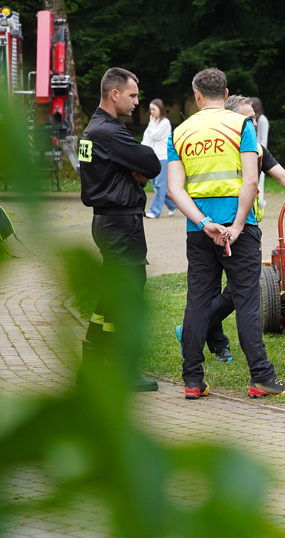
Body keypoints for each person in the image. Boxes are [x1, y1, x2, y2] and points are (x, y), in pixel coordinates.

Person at [167, 67, 285, 400]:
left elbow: (174, 189)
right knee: (246, 302)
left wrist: (202, 223)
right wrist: (238, 225)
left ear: (197, 95)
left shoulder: (179, 132)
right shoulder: (241, 125)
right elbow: (252, 182)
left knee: (197, 302)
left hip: (199, 231)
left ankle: (193, 381)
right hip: (239, 229)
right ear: (226, 95)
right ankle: (260, 378)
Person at [185, 95, 285, 362]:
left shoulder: (256, 148)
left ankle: (200, 338)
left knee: (222, 294)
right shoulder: (226, 146)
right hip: (223, 229)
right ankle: (213, 343)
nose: (254, 122)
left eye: (255, 118)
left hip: (219, 228)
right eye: (247, 118)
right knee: (230, 293)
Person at [77, 67, 161, 392]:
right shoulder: (110, 132)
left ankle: (94, 364)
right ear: (114, 94)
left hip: (107, 220)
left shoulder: (93, 129)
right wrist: (135, 172)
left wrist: (131, 171)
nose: (136, 102)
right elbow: (152, 163)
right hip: (121, 222)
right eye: (132, 95)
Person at [143, 99, 176, 219]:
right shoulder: (153, 122)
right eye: (150, 109)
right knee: (155, 185)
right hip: (152, 158)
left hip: (163, 158)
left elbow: (154, 136)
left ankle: (154, 211)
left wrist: (151, 125)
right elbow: (147, 137)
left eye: (153, 109)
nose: (151, 112)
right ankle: (173, 205)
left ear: (160, 109)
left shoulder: (165, 122)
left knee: (160, 186)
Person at [250, 97, 269, 207]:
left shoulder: (262, 120)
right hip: (249, 153)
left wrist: (260, 156)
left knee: (260, 180)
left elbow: (263, 141)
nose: (255, 115)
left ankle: (260, 203)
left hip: (260, 153)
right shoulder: (248, 120)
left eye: (257, 112)